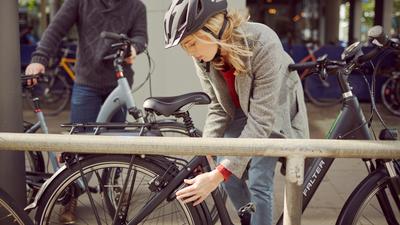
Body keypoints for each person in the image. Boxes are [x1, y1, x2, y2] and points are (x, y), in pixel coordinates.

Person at [163, 0, 309, 225]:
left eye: (191, 43)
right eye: (185, 47)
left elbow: (262, 121)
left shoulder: (263, 42)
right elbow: (218, 106)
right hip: (239, 110)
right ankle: (248, 219)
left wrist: (217, 174)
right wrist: (207, 149)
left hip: (271, 109)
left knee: (259, 180)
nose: (190, 53)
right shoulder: (203, 58)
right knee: (228, 173)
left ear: (212, 28)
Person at [24, 0, 148, 223]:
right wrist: (40, 58)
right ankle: (70, 196)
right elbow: (56, 28)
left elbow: (141, 38)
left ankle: (113, 188)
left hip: (119, 83)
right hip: (86, 82)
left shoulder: (136, 6)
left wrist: (133, 48)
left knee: (118, 144)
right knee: (77, 144)